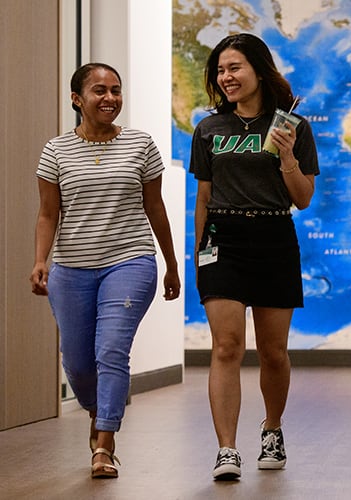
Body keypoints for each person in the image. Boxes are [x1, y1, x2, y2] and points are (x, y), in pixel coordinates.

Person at [30, 62, 181, 479]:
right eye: (100, 91)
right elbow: (47, 214)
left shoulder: (140, 145)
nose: (110, 98)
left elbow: (155, 208)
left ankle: (104, 444)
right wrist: (41, 260)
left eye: (116, 90)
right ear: (77, 99)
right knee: (78, 363)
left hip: (130, 261)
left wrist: (170, 264)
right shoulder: (56, 150)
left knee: (111, 350)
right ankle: (100, 413)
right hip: (71, 267)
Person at [189, 33, 319, 480]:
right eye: (220, 71)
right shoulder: (208, 130)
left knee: (273, 352)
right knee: (226, 346)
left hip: (274, 236)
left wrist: (286, 157)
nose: (226, 77)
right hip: (223, 238)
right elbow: (203, 198)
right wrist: (198, 251)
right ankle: (227, 449)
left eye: (234, 68)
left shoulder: (293, 127)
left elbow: (303, 199)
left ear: (259, 71)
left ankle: (272, 428)